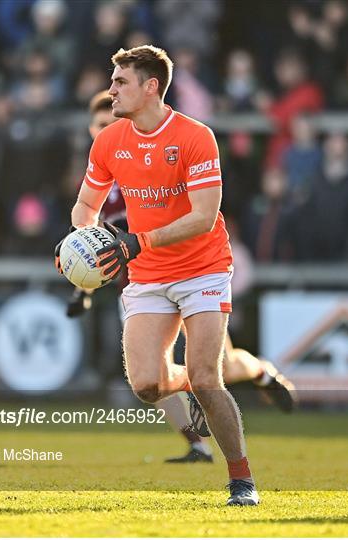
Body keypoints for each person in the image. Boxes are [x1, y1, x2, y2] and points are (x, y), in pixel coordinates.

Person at [59, 45, 262, 505]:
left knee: (208, 381)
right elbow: (85, 208)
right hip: (148, 274)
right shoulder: (109, 140)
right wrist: (78, 242)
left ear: (151, 87)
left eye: (120, 82)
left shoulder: (195, 137)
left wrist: (136, 241)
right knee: (147, 386)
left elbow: (205, 217)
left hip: (202, 268)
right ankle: (198, 377)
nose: (110, 89)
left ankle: (241, 480)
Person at [64, 90, 296, 464]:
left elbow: (199, 211)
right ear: (93, 130)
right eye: (101, 125)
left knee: (219, 368)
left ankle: (261, 373)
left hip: (192, 271)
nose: (110, 129)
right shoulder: (102, 183)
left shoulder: (156, 159)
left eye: (114, 122)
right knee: (150, 377)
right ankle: (196, 444)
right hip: (140, 281)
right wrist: (82, 289)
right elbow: (87, 247)